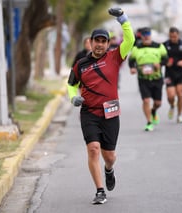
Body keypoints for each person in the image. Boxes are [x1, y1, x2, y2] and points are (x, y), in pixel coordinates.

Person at [67, 8, 134, 205]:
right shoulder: (80, 64)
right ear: (91, 42)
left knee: (110, 156)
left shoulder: (115, 57)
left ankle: (109, 169)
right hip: (89, 113)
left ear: (107, 43)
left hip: (111, 112)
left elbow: (130, 41)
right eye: (97, 40)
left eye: (104, 41)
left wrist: (123, 19)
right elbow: (71, 85)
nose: (100, 44)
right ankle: (99, 190)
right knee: (94, 149)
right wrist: (73, 98)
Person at [128, 27, 168, 131]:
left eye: (148, 34)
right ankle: (149, 122)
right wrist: (132, 68)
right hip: (143, 79)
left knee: (158, 103)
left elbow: (166, 59)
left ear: (150, 35)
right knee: (146, 100)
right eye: (144, 34)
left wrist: (159, 64)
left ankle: (154, 111)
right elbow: (131, 60)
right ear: (141, 36)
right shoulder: (136, 48)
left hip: (157, 78)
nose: (146, 36)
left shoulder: (159, 46)